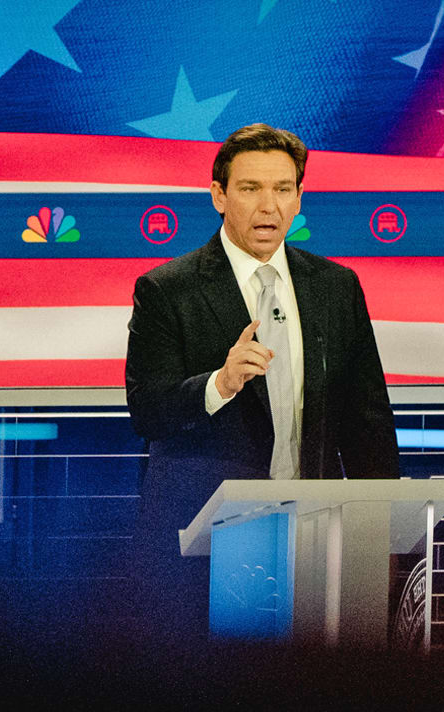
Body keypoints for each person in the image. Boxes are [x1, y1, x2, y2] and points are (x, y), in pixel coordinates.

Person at [124, 124, 401, 619]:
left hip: (313, 538)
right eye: (250, 188)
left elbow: (367, 422)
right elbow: (148, 410)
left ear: (298, 199)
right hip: (203, 548)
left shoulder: (336, 287)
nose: (268, 205)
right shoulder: (168, 290)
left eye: (283, 188)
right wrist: (220, 384)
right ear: (219, 196)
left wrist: (380, 535)